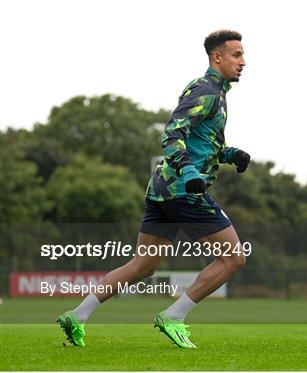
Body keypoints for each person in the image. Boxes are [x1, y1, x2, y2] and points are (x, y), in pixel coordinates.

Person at [57, 30, 250, 348]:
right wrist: (188, 171)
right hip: (183, 191)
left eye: (243, 55)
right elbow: (173, 133)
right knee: (234, 259)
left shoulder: (215, 92)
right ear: (217, 57)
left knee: (143, 265)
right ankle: (175, 316)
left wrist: (230, 154)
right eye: (236, 55)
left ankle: (77, 315)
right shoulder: (206, 90)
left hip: (161, 190)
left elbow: (202, 140)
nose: (243, 62)